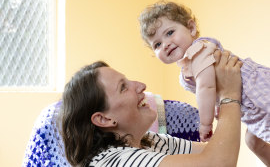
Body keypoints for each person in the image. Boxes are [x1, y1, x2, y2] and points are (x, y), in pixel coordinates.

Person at [139, 0, 270, 166]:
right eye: (157, 44)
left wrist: (205, 124)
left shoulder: (199, 49)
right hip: (249, 105)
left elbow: (206, 86)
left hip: (258, 90)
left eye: (170, 32)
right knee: (255, 137)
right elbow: (215, 89)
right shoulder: (185, 73)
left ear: (191, 28)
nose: (165, 44)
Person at [60, 50, 242, 166]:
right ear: (104, 119)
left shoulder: (149, 141)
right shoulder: (114, 162)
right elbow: (218, 163)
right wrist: (230, 97)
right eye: (123, 87)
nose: (141, 86)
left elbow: (217, 151)